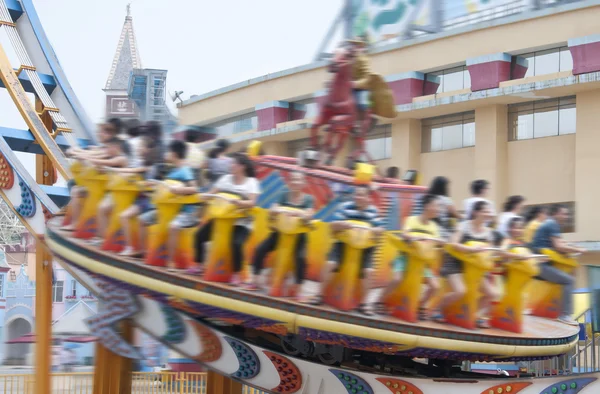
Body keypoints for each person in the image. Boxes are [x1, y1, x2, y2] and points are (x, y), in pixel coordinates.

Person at [305, 185, 385, 316]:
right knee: (330, 264)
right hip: (342, 243)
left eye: (362, 195)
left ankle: (364, 304)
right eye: (357, 194)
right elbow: (333, 225)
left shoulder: (373, 211)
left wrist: (374, 230)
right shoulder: (345, 207)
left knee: (369, 272)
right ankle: (319, 295)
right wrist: (343, 224)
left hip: (365, 247)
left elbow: (380, 230)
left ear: (368, 198)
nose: (358, 197)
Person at [191, 153, 260, 284]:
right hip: (221, 219)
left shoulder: (252, 182)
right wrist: (204, 196)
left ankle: (237, 274)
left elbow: (252, 203)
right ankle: (199, 265)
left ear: (242, 167)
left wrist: (239, 203)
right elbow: (212, 193)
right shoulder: (225, 179)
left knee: (236, 244)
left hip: (241, 222)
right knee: (199, 235)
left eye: (234, 163)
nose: (231, 165)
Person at [245, 172, 314, 296]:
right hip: (280, 232)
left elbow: (308, 215)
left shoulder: (308, 199)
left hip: (298, 236)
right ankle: (255, 279)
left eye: (298, 180)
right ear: (289, 182)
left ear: (303, 183)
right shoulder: (284, 195)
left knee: (301, 259)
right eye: (292, 180)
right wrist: (275, 211)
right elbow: (273, 210)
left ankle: (298, 289)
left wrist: (294, 213)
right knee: (260, 249)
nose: (295, 182)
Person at [433, 200, 498, 328]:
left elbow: (490, 251)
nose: (488, 214)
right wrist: (470, 249)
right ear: (476, 212)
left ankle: (475, 315)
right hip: (456, 264)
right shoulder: (463, 226)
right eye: (485, 211)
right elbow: (453, 244)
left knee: (493, 294)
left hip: (475, 267)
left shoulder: (488, 232)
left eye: (489, 211)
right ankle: (437, 310)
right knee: (460, 291)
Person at [378, 194, 443, 319]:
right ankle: (380, 301)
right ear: (427, 206)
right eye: (436, 205)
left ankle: (420, 306)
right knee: (397, 279)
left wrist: (438, 242)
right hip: (404, 257)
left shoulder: (434, 227)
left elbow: (437, 241)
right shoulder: (411, 219)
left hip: (421, 261)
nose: (438, 209)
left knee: (435, 286)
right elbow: (405, 234)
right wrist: (414, 237)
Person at [138, 140, 198, 269]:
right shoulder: (172, 171)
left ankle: (171, 261)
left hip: (184, 211)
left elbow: (194, 189)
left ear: (174, 154)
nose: (166, 154)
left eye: (168, 152)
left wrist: (181, 190)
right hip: (166, 210)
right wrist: (153, 184)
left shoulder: (185, 171)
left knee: (173, 227)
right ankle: (145, 253)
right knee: (142, 220)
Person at [530, 204, 586, 326]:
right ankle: (565, 315)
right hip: (540, 264)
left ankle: (552, 310)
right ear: (555, 214)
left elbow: (561, 244)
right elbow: (559, 246)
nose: (566, 216)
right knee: (569, 281)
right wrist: (579, 250)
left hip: (542, 263)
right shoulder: (552, 224)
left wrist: (573, 247)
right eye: (564, 213)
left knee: (564, 278)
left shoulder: (551, 225)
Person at [64, 121, 121, 230]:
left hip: (106, 186)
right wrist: (77, 152)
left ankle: (80, 223)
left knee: (76, 189)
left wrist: (78, 153)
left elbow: (94, 156)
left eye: (102, 132)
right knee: (73, 185)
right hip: (98, 183)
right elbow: (92, 153)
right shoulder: (105, 147)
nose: (99, 134)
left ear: (110, 134)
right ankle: (75, 220)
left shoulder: (112, 149)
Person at [115, 136, 163, 257]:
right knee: (124, 216)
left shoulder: (151, 165)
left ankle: (135, 248)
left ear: (148, 149)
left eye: (141, 146)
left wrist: (118, 171)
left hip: (148, 200)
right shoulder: (143, 162)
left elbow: (136, 171)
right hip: (141, 198)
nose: (138, 148)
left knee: (125, 216)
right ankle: (137, 248)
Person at [83, 138, 130, 245]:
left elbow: (105, 163)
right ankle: (100, 235)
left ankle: (104, 238)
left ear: (116, 147)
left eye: (108, 147)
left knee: (102, 207)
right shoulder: (114, 158)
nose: (107, 150)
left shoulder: (121, 159)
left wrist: (87, 157)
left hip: (121, 193)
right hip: (112, 190)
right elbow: (104, 168)